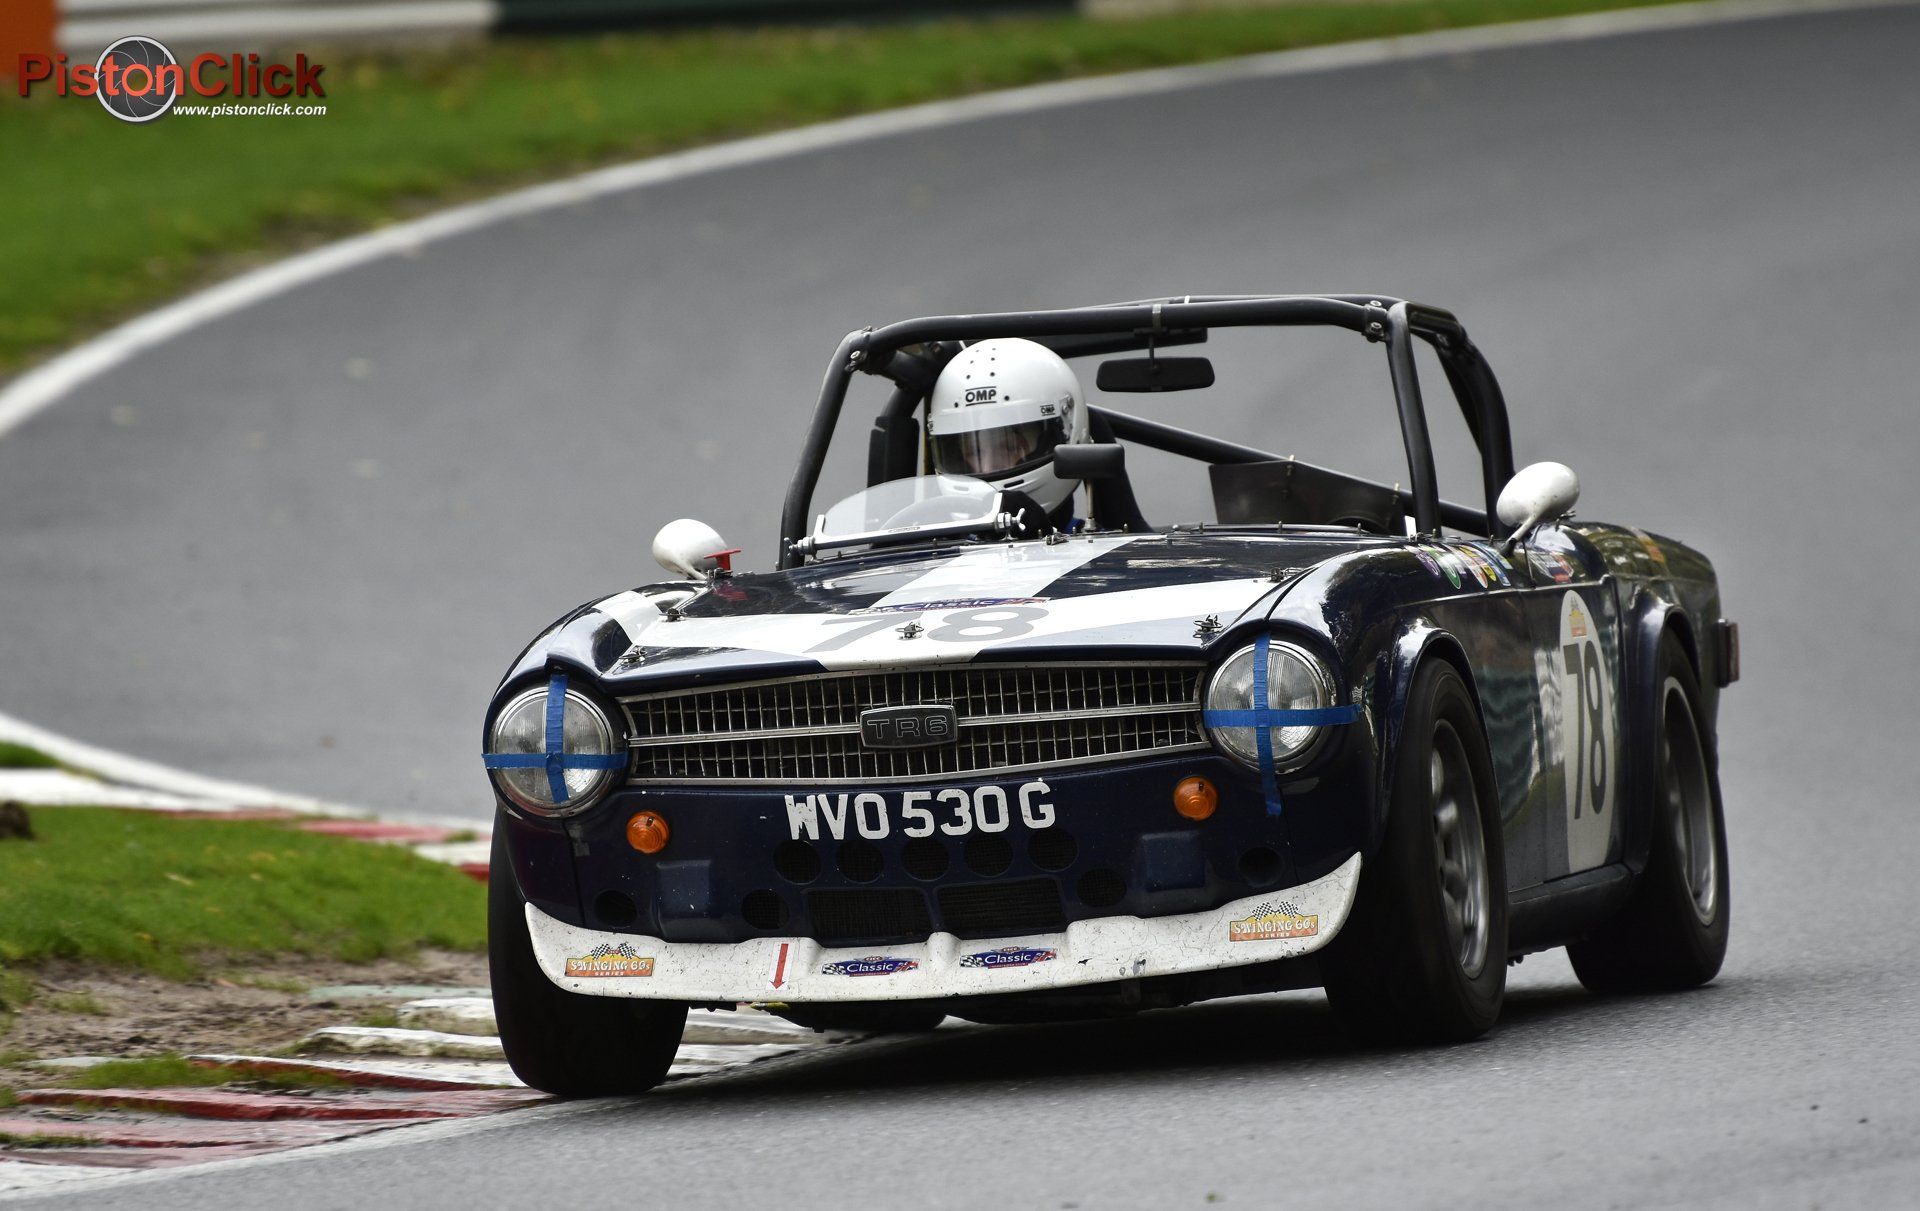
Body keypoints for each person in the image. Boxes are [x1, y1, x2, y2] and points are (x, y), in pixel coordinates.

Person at [926, 336, 1091, 525]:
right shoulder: (933, 546)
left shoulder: (1104, 549)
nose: (987, 468)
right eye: (974, 452)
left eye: (1010, 448)